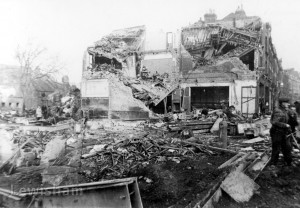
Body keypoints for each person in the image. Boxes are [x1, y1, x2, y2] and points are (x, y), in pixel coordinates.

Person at [270, 98, 293, 166]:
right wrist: (285, 125)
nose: (288, 104)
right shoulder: (278, 111)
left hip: (283, 132)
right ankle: (273, 164)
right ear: (282, 103)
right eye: (286, 103)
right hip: (276, 133)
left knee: (287, 147)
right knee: (276, 148)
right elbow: (274, 122)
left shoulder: (284, 111)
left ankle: (288, 163)